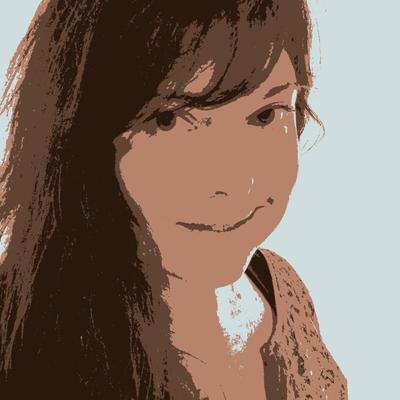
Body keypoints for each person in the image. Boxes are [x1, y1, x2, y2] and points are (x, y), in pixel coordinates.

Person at [0, 0, 347, 399]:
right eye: (169, 120)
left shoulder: (281, 288)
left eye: (265, 114)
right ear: (84, 134)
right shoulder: (21, 338)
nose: (235, 183)